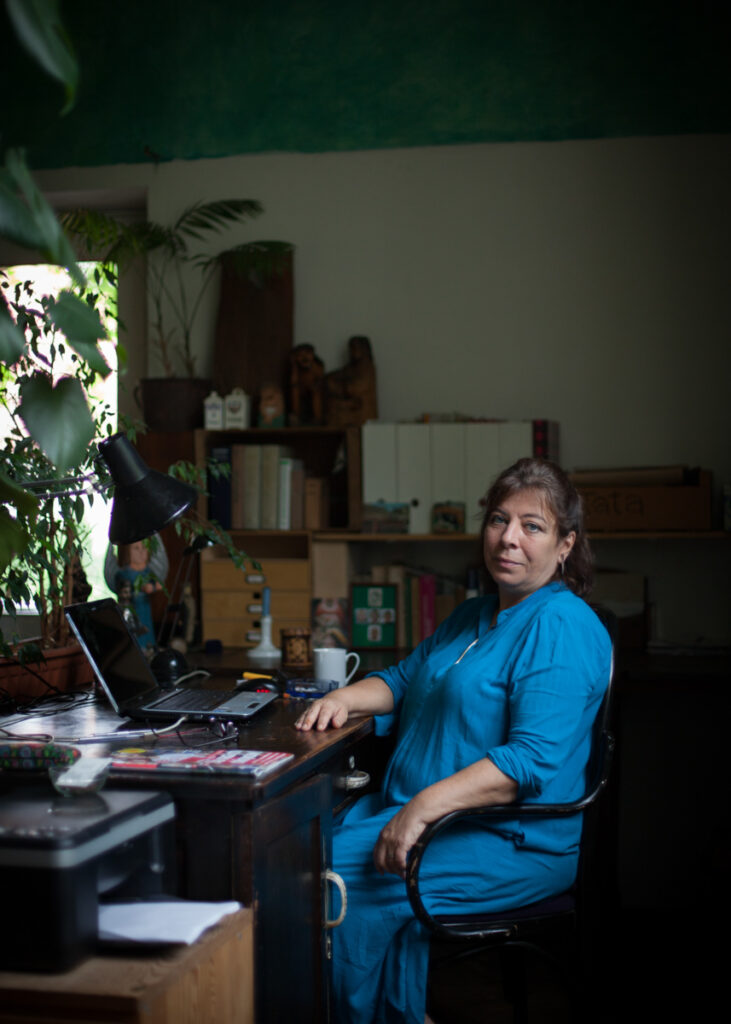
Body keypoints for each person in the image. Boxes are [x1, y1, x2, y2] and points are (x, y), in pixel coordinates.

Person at [295, 458, 612, 1024]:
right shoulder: (473, 613)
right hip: (430, 817)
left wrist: (419, 810)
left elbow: (529, 762)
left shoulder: (560, 625)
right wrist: (342, 698)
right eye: (497, 519)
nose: (508, 538)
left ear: (565, 545)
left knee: (322, 875)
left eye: (532, 526)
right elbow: (402, 679)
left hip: (509, 840)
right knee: (301, 846)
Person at [104, 537, 168, 652]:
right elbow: (123, 590)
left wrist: (152, 587)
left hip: (144, 608)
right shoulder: (123, 573)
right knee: (133, 636)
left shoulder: (149, 572)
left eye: (144, 548)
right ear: (128, 551)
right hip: (130, 611)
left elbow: (158, 585)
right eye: (136, 548)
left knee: (146, 636)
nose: (141, 552)